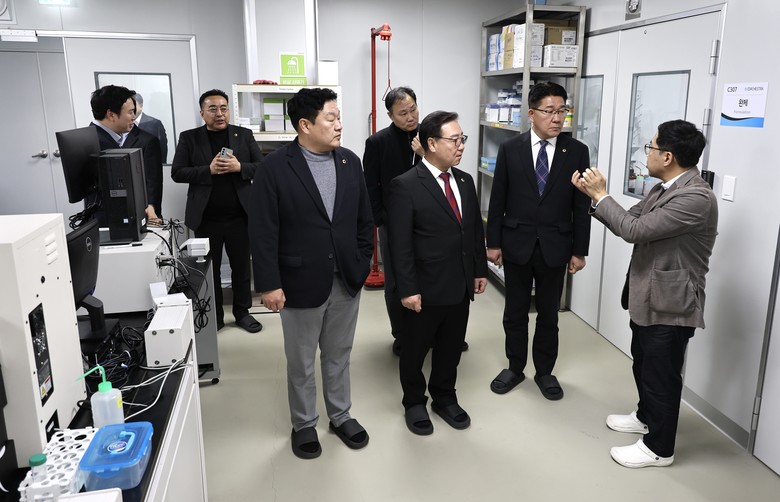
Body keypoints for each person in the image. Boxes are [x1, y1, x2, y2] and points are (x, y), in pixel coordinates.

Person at [572, 119, 718, 468]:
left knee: (661, 375)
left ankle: (659, 448)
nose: (647, 153)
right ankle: (645, 417)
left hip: (671, 302)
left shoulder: (696, 197)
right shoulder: (663, 188)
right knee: (644, 362)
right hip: (649, 295)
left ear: (667, 156)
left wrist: (602, 194)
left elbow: (634, 230)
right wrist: (594, 197)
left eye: (650, 147)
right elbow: (626, 220)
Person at [249, 88, 374, 459]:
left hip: (345, 278)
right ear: (305, 125)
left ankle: (341, 415)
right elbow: (263, 230)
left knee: (339, 354)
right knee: (301, 360)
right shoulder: (275, 167)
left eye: (339, 117)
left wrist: (362, 261)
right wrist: (269, 284)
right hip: (298, 280)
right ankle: (304, 423)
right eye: (330, 118)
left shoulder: (350, 162)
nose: (339, 125)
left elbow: (364, 220)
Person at [486, 81, 591, 401]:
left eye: (562, 111)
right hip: (516, 242)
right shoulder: (511, 148)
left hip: (556, 245)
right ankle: (515, 367)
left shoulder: (577, 151)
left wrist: (579, 250)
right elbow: (497, 198)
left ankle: (545, 371)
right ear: (531, 114)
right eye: (549, 111)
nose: (557, 118)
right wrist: (493, 242)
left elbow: (581, 206)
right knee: (515, 311)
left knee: (549, 314)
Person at [387, 111, 488, 436]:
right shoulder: (405, 185)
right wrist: (407, 289)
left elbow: (473, 231)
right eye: (454, 140)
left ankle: (444, 397)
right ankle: (414, 401)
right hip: (424, 288)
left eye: (462, 139)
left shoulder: (465, 181)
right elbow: (399, 244)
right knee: (415, 350)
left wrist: (479, 269)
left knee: (450, 347)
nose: (461, 146)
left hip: (459, 285)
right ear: (431, 143)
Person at [171, 89, 262, 333]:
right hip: (206, 218)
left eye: (224, 108)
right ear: (202, 113)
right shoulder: (189, 138)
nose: (219, 113)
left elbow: (262, 166)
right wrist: (207, 170)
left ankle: (242, 313)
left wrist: (239, 167)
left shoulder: (243, 135)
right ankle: (215, 316)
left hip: (240, 217)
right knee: (209, 269)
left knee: (242, 268)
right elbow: (177, 172)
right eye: (213, 109)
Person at [363, 87, 427, 356]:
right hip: (393, 223)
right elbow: (370, 186)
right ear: (390, 115)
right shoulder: (377, 142)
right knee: (396, 281)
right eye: (403, 113)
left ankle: (432, 332)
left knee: (430, 275)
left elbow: (445, 171)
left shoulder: (430, 136)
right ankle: (401, 334)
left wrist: (424, 153)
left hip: (429, 221)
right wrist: (382, 220)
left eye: (413, 109)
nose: (410, 117)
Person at [89, 85, 163, 222]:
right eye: (130, 112)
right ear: (111, 114)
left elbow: (153, 181)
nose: (134, 117)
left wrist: (151, 207)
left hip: (138, 215)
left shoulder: (145, 139)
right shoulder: (89, 143)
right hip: (106, 219)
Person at [134, 93, 169, 164]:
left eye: (133, 105)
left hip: (150, 165)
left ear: (141, 106)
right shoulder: (124, 123)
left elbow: (162, 148)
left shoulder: (155, 124)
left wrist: (161, 165)